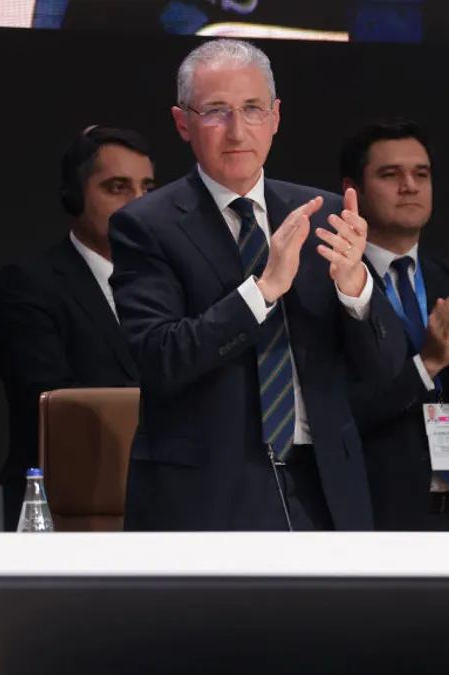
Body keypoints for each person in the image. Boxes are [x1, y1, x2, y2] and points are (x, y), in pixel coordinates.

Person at [109, 38, 405, 531]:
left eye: (252, 109)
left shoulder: (323, 212)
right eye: (216, 111)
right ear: (182, 122)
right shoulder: (147, 225)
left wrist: (356, 288)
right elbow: (160, 357)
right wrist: (263, 290)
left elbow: (388, 366)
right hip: (209, 493)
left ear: (276, 117)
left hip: (326, 485)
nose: (237, 129)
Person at [340, 117, 449, 531]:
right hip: (382, 516)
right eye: (390, 174)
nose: (410, 186)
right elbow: (342, 411)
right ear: (353, 190)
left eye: (421, 174)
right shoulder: (336, 284)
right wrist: (427, 364)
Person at [0, 125, 153, 527]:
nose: (139, 204)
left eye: (148, 188)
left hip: (157, 508)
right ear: (74, 197)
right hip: (65, 511)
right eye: (117, 188)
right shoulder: (30, 285)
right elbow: (49, 404)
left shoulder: (174, 286)